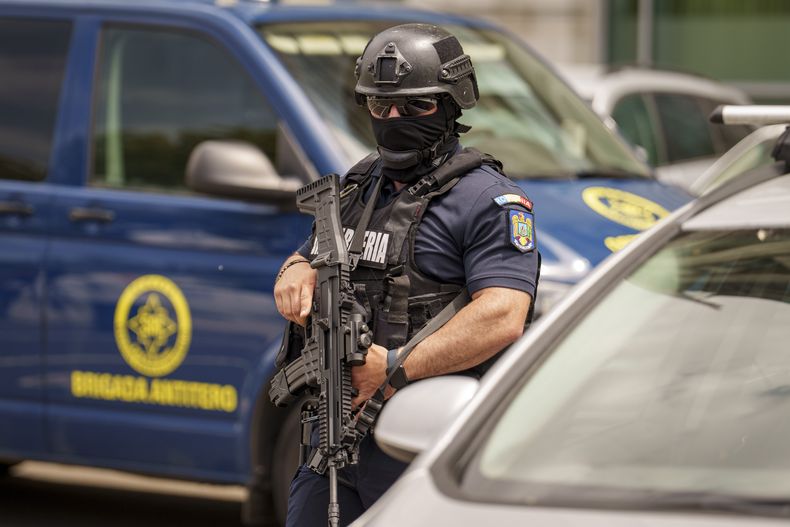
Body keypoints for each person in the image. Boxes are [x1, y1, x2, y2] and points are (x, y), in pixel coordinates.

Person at [273, 23, 539, 526]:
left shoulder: (486, 201)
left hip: (423, 449)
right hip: (332, 441)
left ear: (451, 104)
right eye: (380, 107)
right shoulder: (358, 186)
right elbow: (309, 256)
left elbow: (503, 314)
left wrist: (393, 367)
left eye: (415, 107)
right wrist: (294, 270)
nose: (394, 119)